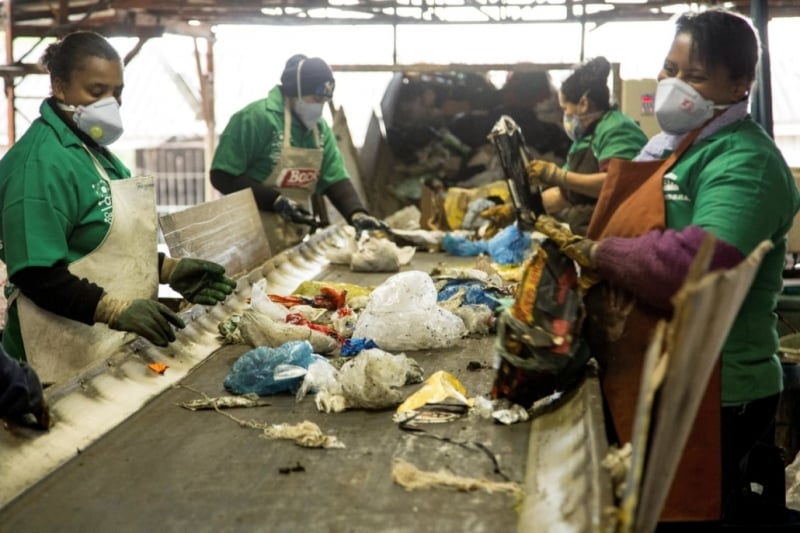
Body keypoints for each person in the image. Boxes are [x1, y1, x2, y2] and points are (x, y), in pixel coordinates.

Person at [538, 8, 800, 526]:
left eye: (695, 75)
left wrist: (599, 253)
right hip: (656, 373)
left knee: (684, 516)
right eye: (669, 68)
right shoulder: (673, 149)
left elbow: (692, 266)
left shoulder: (745, 161)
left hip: (712, 389)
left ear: (739, 84)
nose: (673, 84)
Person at [0, 31, 237, 385]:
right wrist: (114, 309)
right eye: (96, 92)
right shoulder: (39, 165)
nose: (111, 103)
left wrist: (167, 269)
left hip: (99, 349)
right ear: (60, 87)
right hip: (49, 363)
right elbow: (37, 274)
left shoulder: (95, 154)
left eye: (117, 92)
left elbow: (100, 247)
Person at [210, 54, 387, 255]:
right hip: (247, 239)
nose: (319, 107)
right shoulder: (255, 118)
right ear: (295, 93)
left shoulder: (319, 130)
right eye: (315, 99)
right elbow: (222, 175)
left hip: (291, 236)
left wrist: (356, 213)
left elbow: (334, 178)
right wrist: (276, 201)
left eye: (325, 101)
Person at [526, 56, 649, 235]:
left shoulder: (617, 128)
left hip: (622, 234)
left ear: (583, 104)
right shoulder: (585, 139)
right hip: (592, 235)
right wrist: (527, 210)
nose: (565, 115)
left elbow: (615, 184)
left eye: (565, 108)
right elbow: (566, 193)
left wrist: (556, 175)